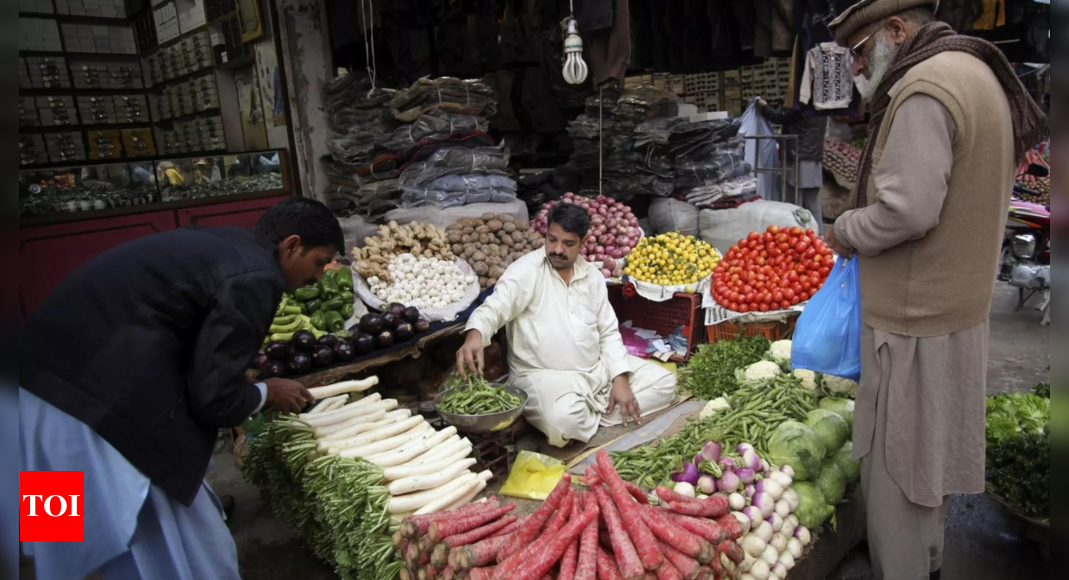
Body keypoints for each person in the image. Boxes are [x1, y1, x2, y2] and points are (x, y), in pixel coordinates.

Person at [823, 2, 1047, 579]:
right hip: (958, 306)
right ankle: (929, 563)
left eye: (858, 49)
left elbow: (907, 211)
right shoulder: (975, 71)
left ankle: (905, 569)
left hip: (915, 317)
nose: (853, 67)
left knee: (900, 472)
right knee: (932, 463)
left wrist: (844, 229)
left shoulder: (924, 89)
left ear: (897, 31)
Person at [18, 197, 344, 580]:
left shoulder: (226, 244)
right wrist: (265, 392)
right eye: (320, 262)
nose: (321, 275)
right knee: (189, 549)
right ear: (291, 245)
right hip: (98, 409)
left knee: (61, 538)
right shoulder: (258, 276)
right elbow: (214, 403)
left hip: (36, 392)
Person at [457, 204, 677, 447]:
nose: (557, 249)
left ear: (583, 243)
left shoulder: (592, 276)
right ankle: (596, 414)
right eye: (552, 240)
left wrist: (620, 379)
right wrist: (475, 335)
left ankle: (591, 414)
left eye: (568, 243)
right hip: (543, 377)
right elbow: (496, 307)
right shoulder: (526, 270)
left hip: (596, 371)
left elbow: (608, 331)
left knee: (665, 383)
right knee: (563, 420)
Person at [757, 99, 828, 230]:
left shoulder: (800, 102)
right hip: (814, 155)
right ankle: (820, 234)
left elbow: (779, 117)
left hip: (798, 156)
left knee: (794, 200)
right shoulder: (821, 103)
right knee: (813, 200)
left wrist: (763, 107)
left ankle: (795, 232)